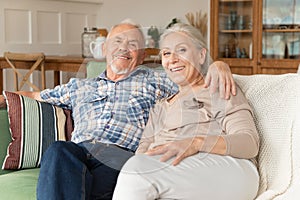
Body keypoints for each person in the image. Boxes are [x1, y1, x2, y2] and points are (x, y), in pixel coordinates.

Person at [0, 20, 236, 200]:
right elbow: (33, 95)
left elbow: (194, 75)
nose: (124, 48)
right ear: (104, 49)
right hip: (77, 155)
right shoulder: (80, 86)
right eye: (118, 42)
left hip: (122, 158)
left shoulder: (155, 80)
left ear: (142, 56)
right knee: (58, 150)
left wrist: (219, 65)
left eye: (133, 44)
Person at [112, 23, 259, 200]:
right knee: (137, 167)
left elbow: (250, 143)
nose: (172, 59)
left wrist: (195, 143)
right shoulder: (160, 106)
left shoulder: (217, 87)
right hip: (179, 175)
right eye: (166, 53)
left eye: (181, 50)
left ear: (201, 55)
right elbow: (143, 153)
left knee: (135, 172)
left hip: (230, 170)